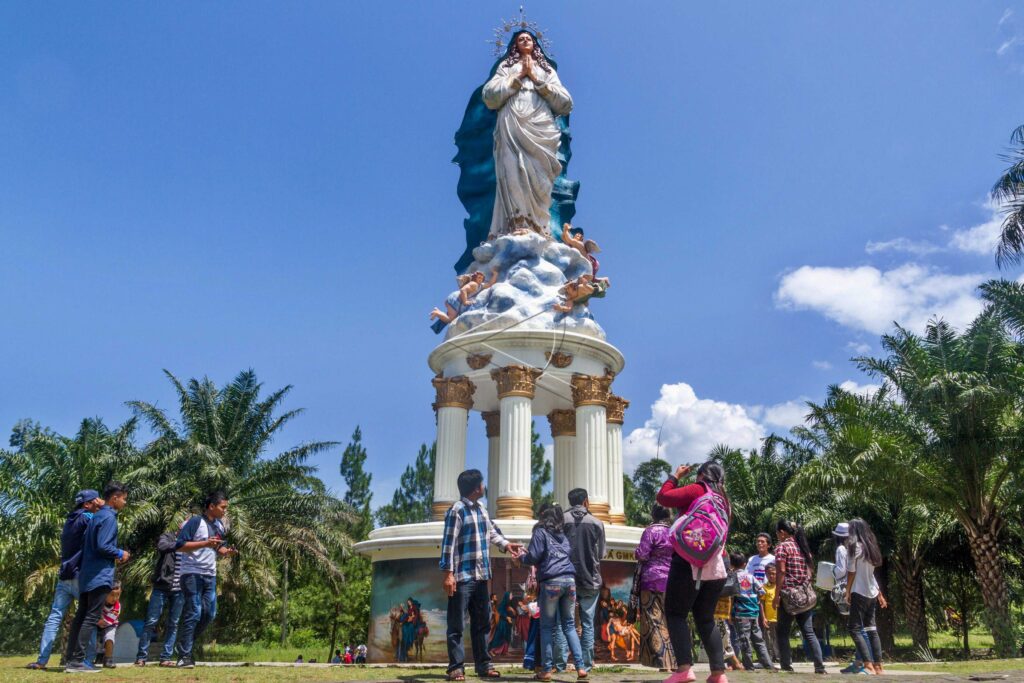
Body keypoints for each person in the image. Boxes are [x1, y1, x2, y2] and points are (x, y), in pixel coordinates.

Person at [482, 30, 573, 238]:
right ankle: (517, 222)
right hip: (512, 121)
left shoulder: (546, 69)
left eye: (529, 39)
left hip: (540, 123)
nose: (525, 41)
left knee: (540, 177)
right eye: (520, 39)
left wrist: (537, 80)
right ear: (514, 45)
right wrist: (517, 76)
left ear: (535, 44)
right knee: (513, 168)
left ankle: (540, 227)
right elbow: (489, 96)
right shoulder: (506, 67)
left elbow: (566, 103)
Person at [439, 469, 524, 682]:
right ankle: (456, 668)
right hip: (461, 576)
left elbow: (492, 532)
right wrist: (448, 574)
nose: (484, 486)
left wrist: (507, 544)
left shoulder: (482, 510)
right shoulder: (456, 511)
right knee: (457, 623)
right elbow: (448, 545)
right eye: (482, 484)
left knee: (483, 622)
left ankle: (484, 665)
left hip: (481, 575)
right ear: (476, 487)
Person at [656, 462, 731, 683]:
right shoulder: (724, 501)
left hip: (688, 561)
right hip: (716, 565)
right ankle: (718, 674)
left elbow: (664, 497)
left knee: (676, 613)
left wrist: (675, 476)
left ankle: (684, 669)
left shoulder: (699, 489)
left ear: (701, 476)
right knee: (706, 618)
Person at [28, 490, 103, 670]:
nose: (99, 501)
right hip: (80, 575)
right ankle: (87, 659)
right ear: (87, 504)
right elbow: (104, 524)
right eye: (96, 500)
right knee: (89, 616)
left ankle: (41, 660)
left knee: (54, 617)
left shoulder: (69, 520)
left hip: (65, 576)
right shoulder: (88, 518)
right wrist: (103, 507)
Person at [64, 482, 130, 673]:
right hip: (100, 575)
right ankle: (77, 661)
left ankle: (71, 659)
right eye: (123, 498)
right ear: (115, 498)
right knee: (91, 617)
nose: (124, 503)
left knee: (81, 616)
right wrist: (120, 553)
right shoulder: (108, 517)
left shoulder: (96, 516)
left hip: (87, 573)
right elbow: (103, 545)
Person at [518, 504, 588, 680]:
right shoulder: (562, 535)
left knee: (547, 627)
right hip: (570, 581)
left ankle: (547, 670)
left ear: (543, 516)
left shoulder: (540, 532)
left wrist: (521, 557)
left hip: (551, 583)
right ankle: (581, 667)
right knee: (569, 625)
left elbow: (533, 556)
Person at [174, 491, 238, 668]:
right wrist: (204, 543)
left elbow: (219, 548)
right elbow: (179, 546)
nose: (225, 511)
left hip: (210, 574)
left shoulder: (219, 525)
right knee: (194, 611)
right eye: (223, 507)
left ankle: (184, 645)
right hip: (191, 574)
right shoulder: (195, 522)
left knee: (209, 613)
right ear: (211, 506)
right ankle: (184, 655)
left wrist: (227, 552)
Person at [560, 487, 605, 674]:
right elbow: (601, 553)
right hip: (590, 579)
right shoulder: (596, 522)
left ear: (570, 501)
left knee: (566, 622)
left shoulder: (561, 520)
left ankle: (560, 663)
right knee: (588, 623)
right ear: (586, 501)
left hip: (565, 577)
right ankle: (586, 664)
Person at [772, 519, 826, 674]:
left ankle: (786, 665)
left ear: (782, 532)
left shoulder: (782, 547)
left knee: (782, 632)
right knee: (808, 632)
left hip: (788, 596)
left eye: (777, 533)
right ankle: (819, 666)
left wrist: (777, 596)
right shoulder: (803, 547)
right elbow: (810, 571)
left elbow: (781, 572)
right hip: (804, 596)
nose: (777, 536)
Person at [135, 525, 185, 667]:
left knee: (173, 624)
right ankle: (141, 657)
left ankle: (165, 658)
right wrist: (181, 544)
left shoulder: (192, 543)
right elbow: (162, 546)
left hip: (180, 589)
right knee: (151, 621)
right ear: (181, 527)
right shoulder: (168, 537)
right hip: (162, 586)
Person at [634, 503, 676, 671]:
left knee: (655, 621)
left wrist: (636, 553)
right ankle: (675, 662)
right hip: (672, 580)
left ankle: (663, 663)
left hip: (651, 581)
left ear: (653, 515)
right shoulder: (674, 532)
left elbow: (642, 554)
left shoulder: (650, 531)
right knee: (671, 621)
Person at [844, 519, 888, 675]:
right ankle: (878, 667)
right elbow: (871, 574)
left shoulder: (855, 546)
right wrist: (880, 595)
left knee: (854, 628)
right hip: (871, 592)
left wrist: (847, 591)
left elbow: (851, 571)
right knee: (871, 628)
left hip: (859, 591)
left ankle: (868, 665)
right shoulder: (870, 548)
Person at [729, 553, 774, 671]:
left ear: (731, 564)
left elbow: (731, 597)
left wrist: (729, 613)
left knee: (744, 640)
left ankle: (748, 665)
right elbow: (762, 592)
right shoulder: (751, 577)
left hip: (741, 613)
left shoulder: (732, 577)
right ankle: (768, 664)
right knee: (759, 639)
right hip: (754, 613)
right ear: (744, 564)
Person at [93, 581, 122, 669]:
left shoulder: (117, 606)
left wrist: (99, 620)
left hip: (110, 625)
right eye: (112, 595)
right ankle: (89, 658)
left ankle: (108, 660)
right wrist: (97, 620)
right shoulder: (98, 602)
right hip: (97, 623)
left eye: (117, 595)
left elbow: (106, 622)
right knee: (92, 639)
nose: (115, 598)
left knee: (109, 638)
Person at [760, 563, 780, 662]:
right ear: (766, 574)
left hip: (779, 617)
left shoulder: (780, 586)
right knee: (768, 639)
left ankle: (779, 657)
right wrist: (763, 617)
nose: (771, 576)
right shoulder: (764, 587)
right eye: (769, 574)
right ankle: (769, 659)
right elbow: (761, 603)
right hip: (768, 618)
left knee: (778, 638)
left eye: (773, 573)